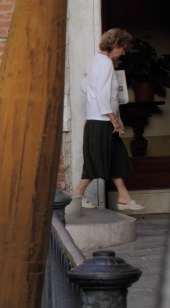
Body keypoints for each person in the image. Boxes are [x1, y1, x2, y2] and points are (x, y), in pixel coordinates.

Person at [72, 28, 144, 211]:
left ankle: (124, 197)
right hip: (102, 121)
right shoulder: (105, 64)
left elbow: (84, 85)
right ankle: (77, 194)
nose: (124, 52)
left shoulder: (95, 60)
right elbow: (103, 94)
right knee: (97, 160)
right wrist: (114, 119)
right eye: (123, 47)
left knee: (116, 158)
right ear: (116, 45)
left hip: (97, 119)